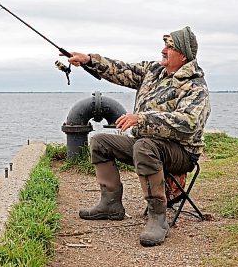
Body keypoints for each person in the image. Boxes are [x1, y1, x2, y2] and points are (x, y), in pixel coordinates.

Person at [64, 26, 211, 247]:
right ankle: (111, 204)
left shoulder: (195, 86)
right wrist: (88, 60)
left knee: (144, 146)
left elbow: (188, 124)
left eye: (169, 47)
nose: (163, 50)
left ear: (183, 55)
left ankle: (158, 218)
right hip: (146, 144)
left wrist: (142, 119)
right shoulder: (153, 71)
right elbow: (119, 69)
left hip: (181, 152)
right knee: (100, 142)